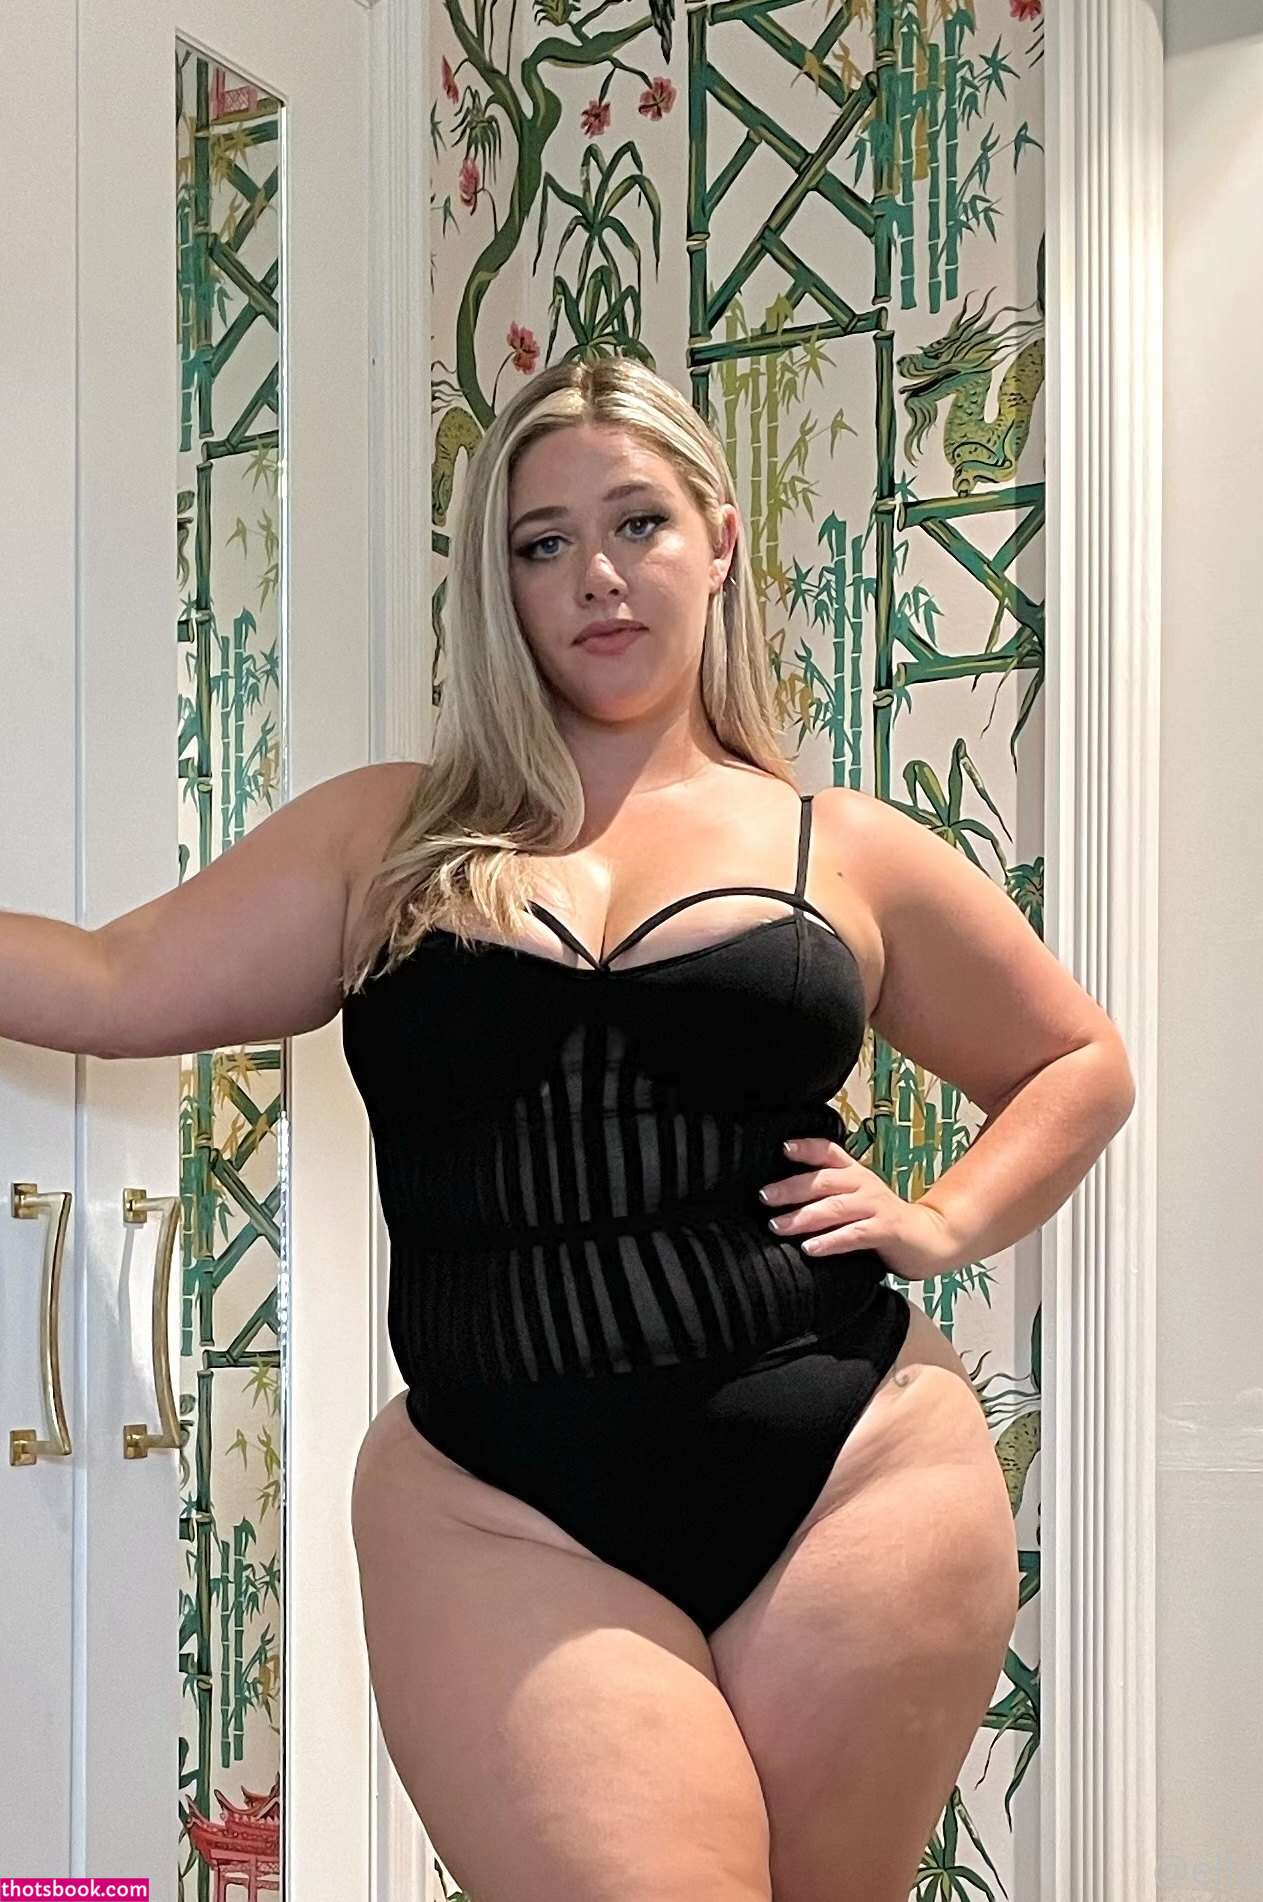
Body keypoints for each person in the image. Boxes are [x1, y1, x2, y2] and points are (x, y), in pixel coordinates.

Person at [1, 355, 1133, 1901]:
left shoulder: (843, 845)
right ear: (501, 583)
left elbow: (1075, 1059)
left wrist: (940, 1221)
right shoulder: (388, 840)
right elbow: (110, 978)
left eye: (636, 522)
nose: (596, 574)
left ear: (717, 540)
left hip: (853, 1475)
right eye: (543, 542)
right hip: (498, 1506)